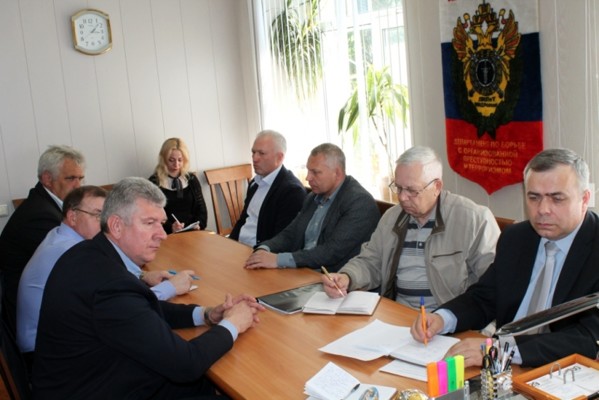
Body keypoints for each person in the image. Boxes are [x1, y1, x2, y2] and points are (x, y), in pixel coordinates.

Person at [32, 177, 264, 399]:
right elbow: (186, 364)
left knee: (210, 384)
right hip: (99, 388)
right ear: (116, 226)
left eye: (161, 224)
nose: (162, 235)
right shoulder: (109, 284)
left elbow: (141, 311)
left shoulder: (92, 253)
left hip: (101, 373)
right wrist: (233, 323)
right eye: (149, 223)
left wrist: (206, 314)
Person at [411, 148, 599, 368]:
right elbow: (484, 298)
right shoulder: (516, 238)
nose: (543, 210)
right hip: (502, 370)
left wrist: (501, 351)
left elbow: (587, 337)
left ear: (584, 199)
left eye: (557, 199)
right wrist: (443, 318)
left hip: (562, 372)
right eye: (534, 197)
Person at [16, 186, 194, 356]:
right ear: (72, 216)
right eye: (98, 215)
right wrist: (171, 287)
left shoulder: (60, 235)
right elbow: (124, 305)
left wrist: (143, 275)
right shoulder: (71, 251)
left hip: (59, 336)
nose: (106, 223)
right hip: (48, 350)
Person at [321, 146, 500, 311]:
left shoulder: (474, 219)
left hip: (451, 320)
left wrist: (456, 319)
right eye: (398, 188)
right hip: (400, 315)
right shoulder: (392, 218)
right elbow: (371, 261)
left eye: (412, 190)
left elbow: (494, 283)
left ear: (437, 187)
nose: (402, 197)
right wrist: (347, 277)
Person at [245, 143, 380, 272]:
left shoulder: (359, 202)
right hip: (304, 272)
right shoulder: (313, 197)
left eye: (315, 172)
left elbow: (331, 251)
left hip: (336, 279)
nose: (308, 178)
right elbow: (291, 233)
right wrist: (265, 248)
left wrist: (278, 260)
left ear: (337, 173)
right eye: (308, 171)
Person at [0, 144, 85, 336]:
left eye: (80, 178)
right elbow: (77, 264)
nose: (78, 186)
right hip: (34, 323)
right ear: (47, 179)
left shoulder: (48, 204)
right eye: (71, 178)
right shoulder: (40, 216)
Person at [229, 130, 307, 246]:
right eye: (253, 152)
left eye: (261, 153)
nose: (255, 158)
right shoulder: (255, 183)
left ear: (279, 157)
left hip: (260, 252)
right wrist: (229, 243)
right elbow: (243, 220)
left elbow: (282, 240)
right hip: (239, 247)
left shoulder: (292, 192)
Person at [149, 137, 208, 233]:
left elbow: (202, 210)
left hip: (193, 232)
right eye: (171, 160)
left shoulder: (191, 179)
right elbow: (152, 216)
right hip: (167, 235)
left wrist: (199, 224)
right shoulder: (154, 183)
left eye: (180, 160)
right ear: (164, 159)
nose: (176, 164)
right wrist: (170, 228)